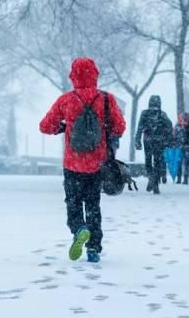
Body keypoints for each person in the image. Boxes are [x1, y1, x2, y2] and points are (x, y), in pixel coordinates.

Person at [39, 57, 126, 263]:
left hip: (72, 164)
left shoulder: (66, 100)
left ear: (73, 76)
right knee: (93, 205)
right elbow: (119, 127)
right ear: (95, 74)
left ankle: (79, 228)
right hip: (97, 164)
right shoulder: (106, 99)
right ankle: (93, 248)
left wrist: (63, 127)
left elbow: (45, 126)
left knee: (73, 202)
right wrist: (104, 131)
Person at [135, 95, 173, 194]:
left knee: (148, 160)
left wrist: (137, 140)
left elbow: (139, 127)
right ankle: (156, 184)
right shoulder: (163, 114)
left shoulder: (144, 113)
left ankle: (151, 177)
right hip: (159, 141)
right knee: (157, 162)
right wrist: (168, 140)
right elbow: (169, 127)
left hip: (147, 140)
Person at [169, 113, 189, 184]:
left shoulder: (177, 127)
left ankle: (181, 178)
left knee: (180, 163)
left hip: (180, 147)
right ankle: (184, 179)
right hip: (185, 148)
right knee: (183, 163)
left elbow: (173, 137)